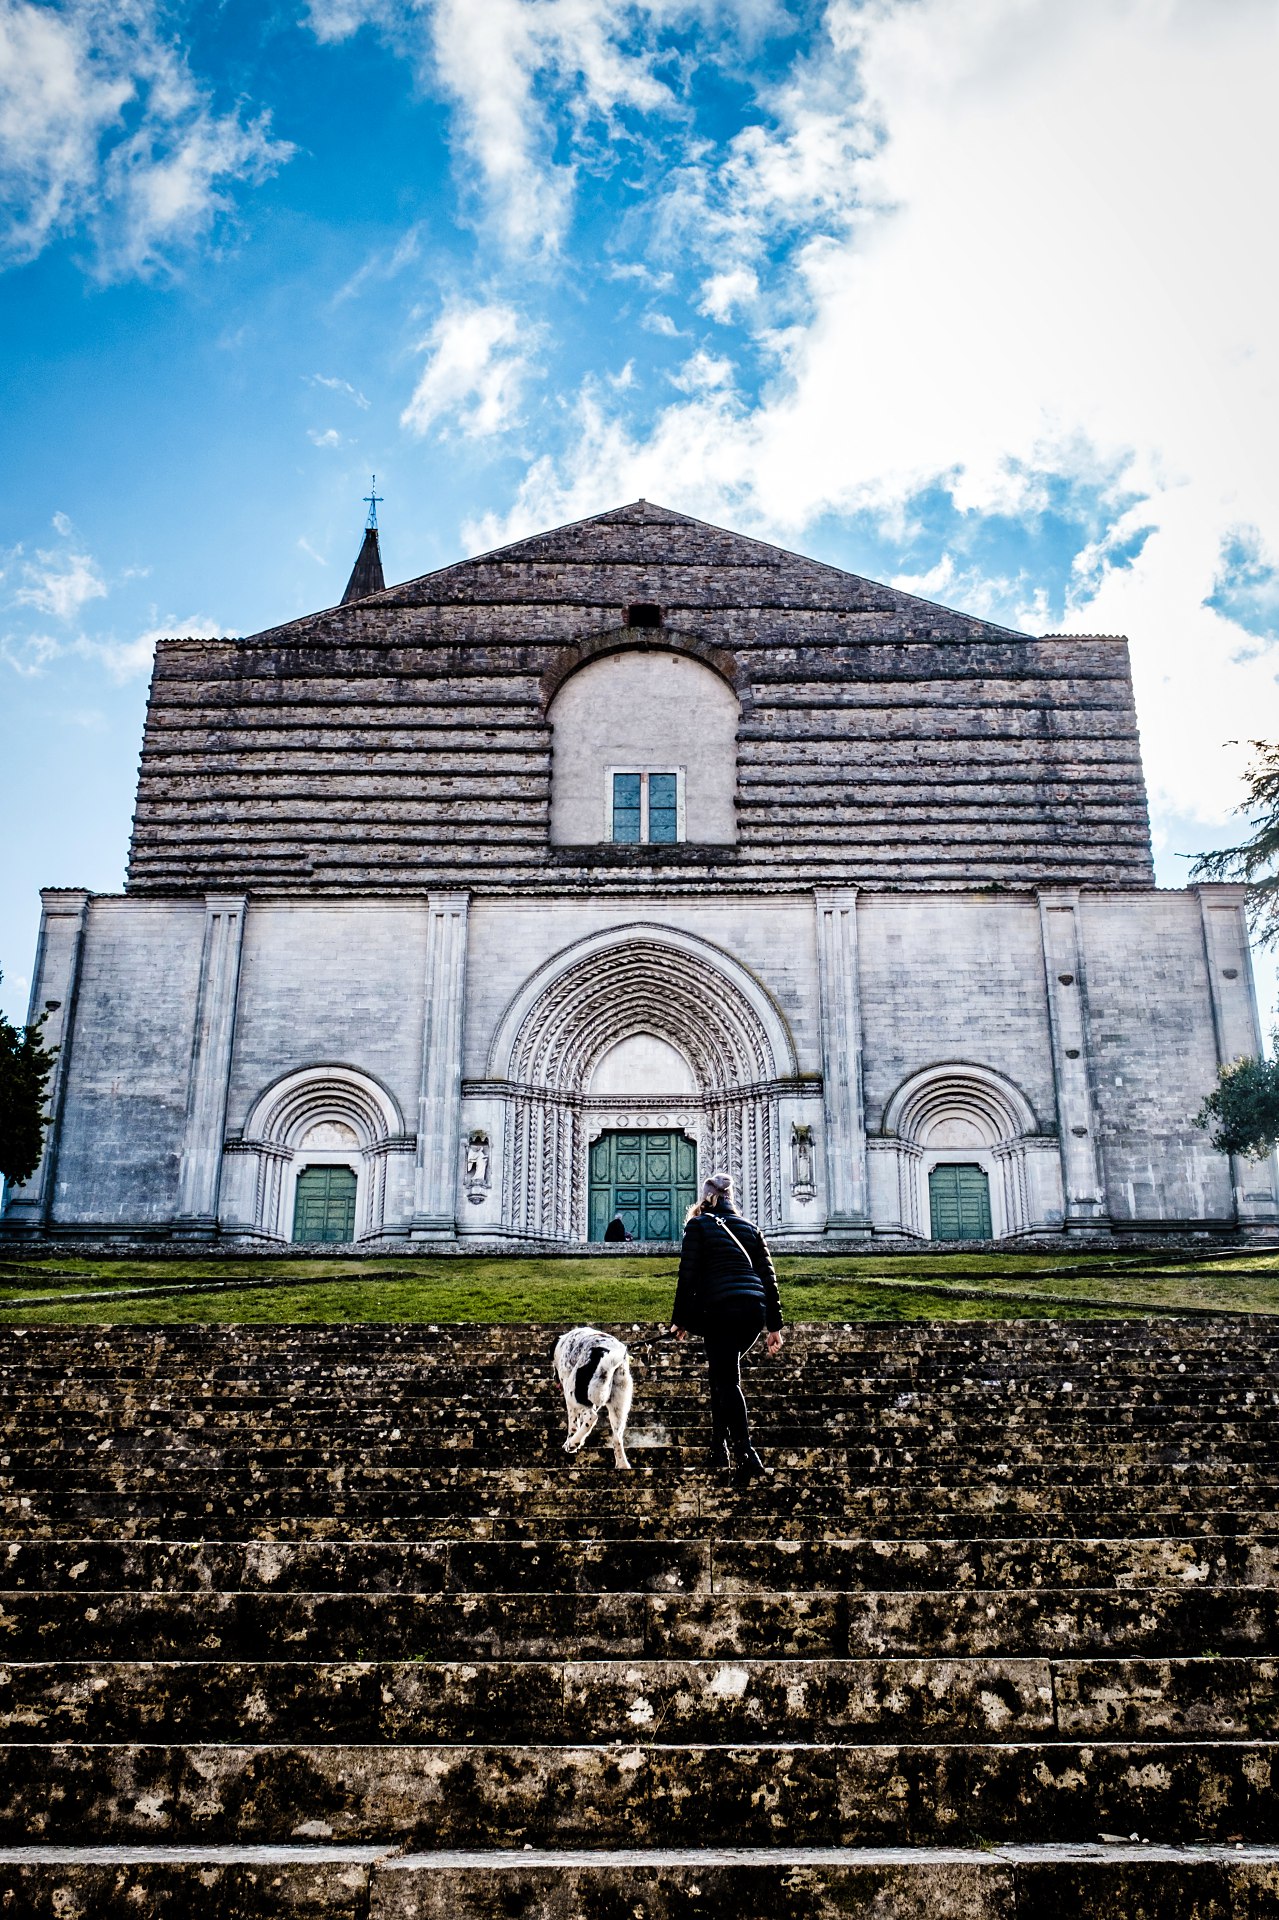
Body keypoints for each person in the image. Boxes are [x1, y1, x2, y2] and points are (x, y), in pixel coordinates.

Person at [670, 1170, 783, 1483]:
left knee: (726, 1378)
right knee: (721, 1374)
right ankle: (717, 1448)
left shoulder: (698, 1225)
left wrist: (680, 1320)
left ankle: (746, 1453)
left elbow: (687, 1276)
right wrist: (774, 1326)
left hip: (720, 1309)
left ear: (706, 1198)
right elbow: (768, 1277)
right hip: (753, 1312)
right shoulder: (750, 1228)